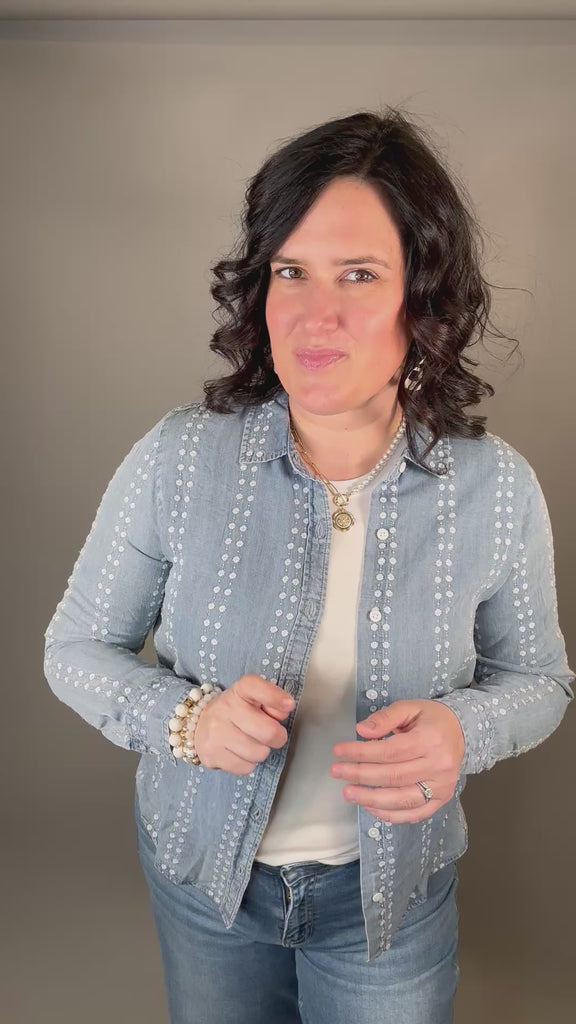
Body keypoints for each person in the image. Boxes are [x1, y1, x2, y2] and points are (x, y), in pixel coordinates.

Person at [43, 106, 574, 1024]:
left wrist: (465, 732)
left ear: (424, 296)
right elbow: (74, 648)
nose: (315, 314)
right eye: (291, 271)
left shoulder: (496, 488)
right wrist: (186, 720)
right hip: (203, 879)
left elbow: (541, 680)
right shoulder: (179, 458)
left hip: (392, 898)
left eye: (360, 274)